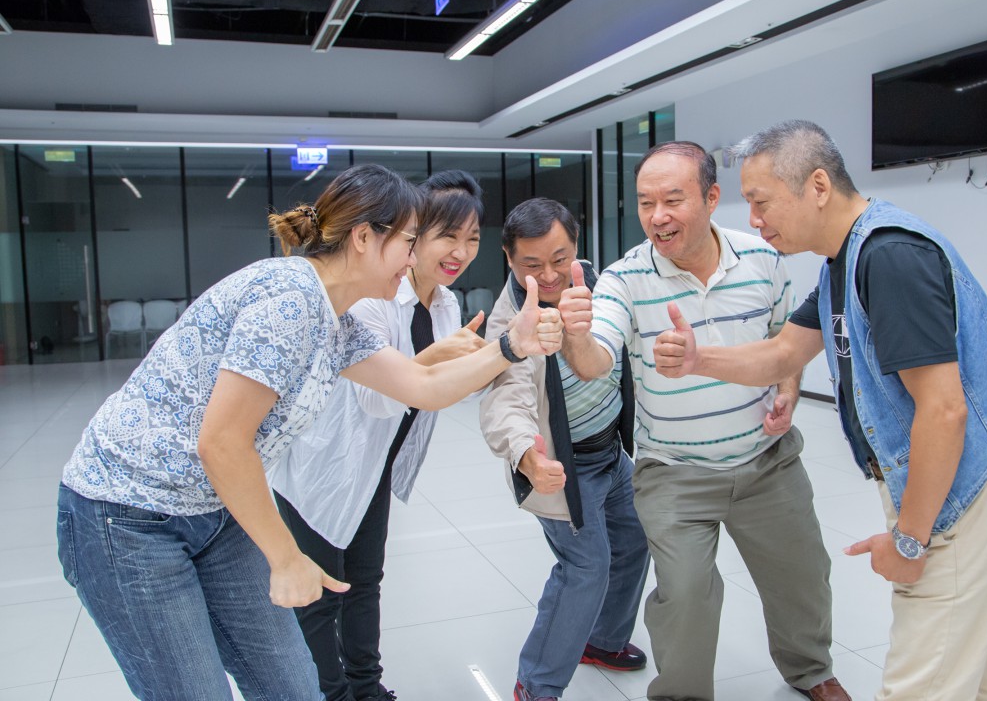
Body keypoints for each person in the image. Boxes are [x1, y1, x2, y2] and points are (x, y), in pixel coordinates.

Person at [55, 164, 563, 701]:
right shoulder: (290, 300)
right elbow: (221, 443)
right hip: (127, 515)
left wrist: (512, 345)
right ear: (364, 237)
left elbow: (422, 384)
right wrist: (285, 556)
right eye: (409, 243)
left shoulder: (336, 319)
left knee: (294, 686)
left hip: (213, 508)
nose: (415, 259)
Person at [653, 120, 987, 701]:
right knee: (982, 678)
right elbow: (785, 352)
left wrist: (910, 540)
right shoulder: (844, 259)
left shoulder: (889, 257)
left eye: (761, 202)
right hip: (948, 485)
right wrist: (698, 360)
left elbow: (944, 410)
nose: (753, 220)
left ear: (818, 186)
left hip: (962, 495)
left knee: (918, 685)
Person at [558, 141, 849, 701]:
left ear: (712, 198)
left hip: (767, 462)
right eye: (646, 202)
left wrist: (788, 391)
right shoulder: (624, 279)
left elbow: (786, 341)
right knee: (686, 595)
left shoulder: (763, 258)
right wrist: (575, 335)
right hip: (674, 471)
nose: (657, 216)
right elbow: (596, 360)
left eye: (673, 200)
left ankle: (811, 669)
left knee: (803, 576)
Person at [270, 170, 487, 701]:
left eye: (473, 239)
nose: (460, 252)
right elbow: (384, 396)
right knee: (322, 594)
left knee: (365, 581)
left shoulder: (446, 305)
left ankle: (366, 689)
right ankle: (332, 694)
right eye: (445, 236)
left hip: (376, 464)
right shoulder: (374, 298)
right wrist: (440, 359)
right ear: (408, 238)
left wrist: (493, 361)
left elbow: (440, 391)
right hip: (325, 465)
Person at [480, 198, 650, 701]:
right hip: (561, 467)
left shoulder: (595, 282)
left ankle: (601, 640)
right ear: (509, 257)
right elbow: (505, 399)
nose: (550, 275)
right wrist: (527, 457)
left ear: (576, 246)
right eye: (532, 265)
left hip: (612, 453)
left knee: (634, 540)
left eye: (560, 258)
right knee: (586, 567)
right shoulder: (510, 321)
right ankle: (536, 684)